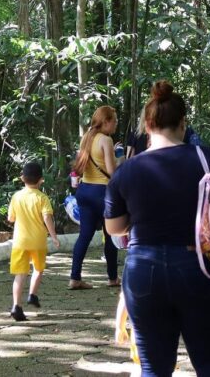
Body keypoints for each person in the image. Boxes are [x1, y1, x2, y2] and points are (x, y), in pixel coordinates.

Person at [105, 80, 210, 376]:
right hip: (198, 268)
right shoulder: (209, 159)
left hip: (144, 270)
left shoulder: (128, 170)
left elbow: (115, 228)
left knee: (153, 366)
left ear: (147, 126)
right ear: (183, 123)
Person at [69, 105, 121, 289]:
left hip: (85, 191)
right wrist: (121, 160)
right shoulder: (106, 140)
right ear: (105, 122)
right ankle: (112, 278)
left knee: (84, 235)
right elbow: (111, 171)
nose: (116, 124)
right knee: (110, 235)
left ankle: (74, 277)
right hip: (103, 193)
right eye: (114, 120)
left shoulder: (87, 137)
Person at [7, 161, 60, 321]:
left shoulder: (16, 197)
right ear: (41, 180)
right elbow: (47, 218)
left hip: (20, 242)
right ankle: (32, 295)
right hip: (38, 241)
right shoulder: (42, 198)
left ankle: (16, 306)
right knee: (38, 269)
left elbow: (10, 218)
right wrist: (54, 236)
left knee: (20, 275)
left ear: (22, 178)